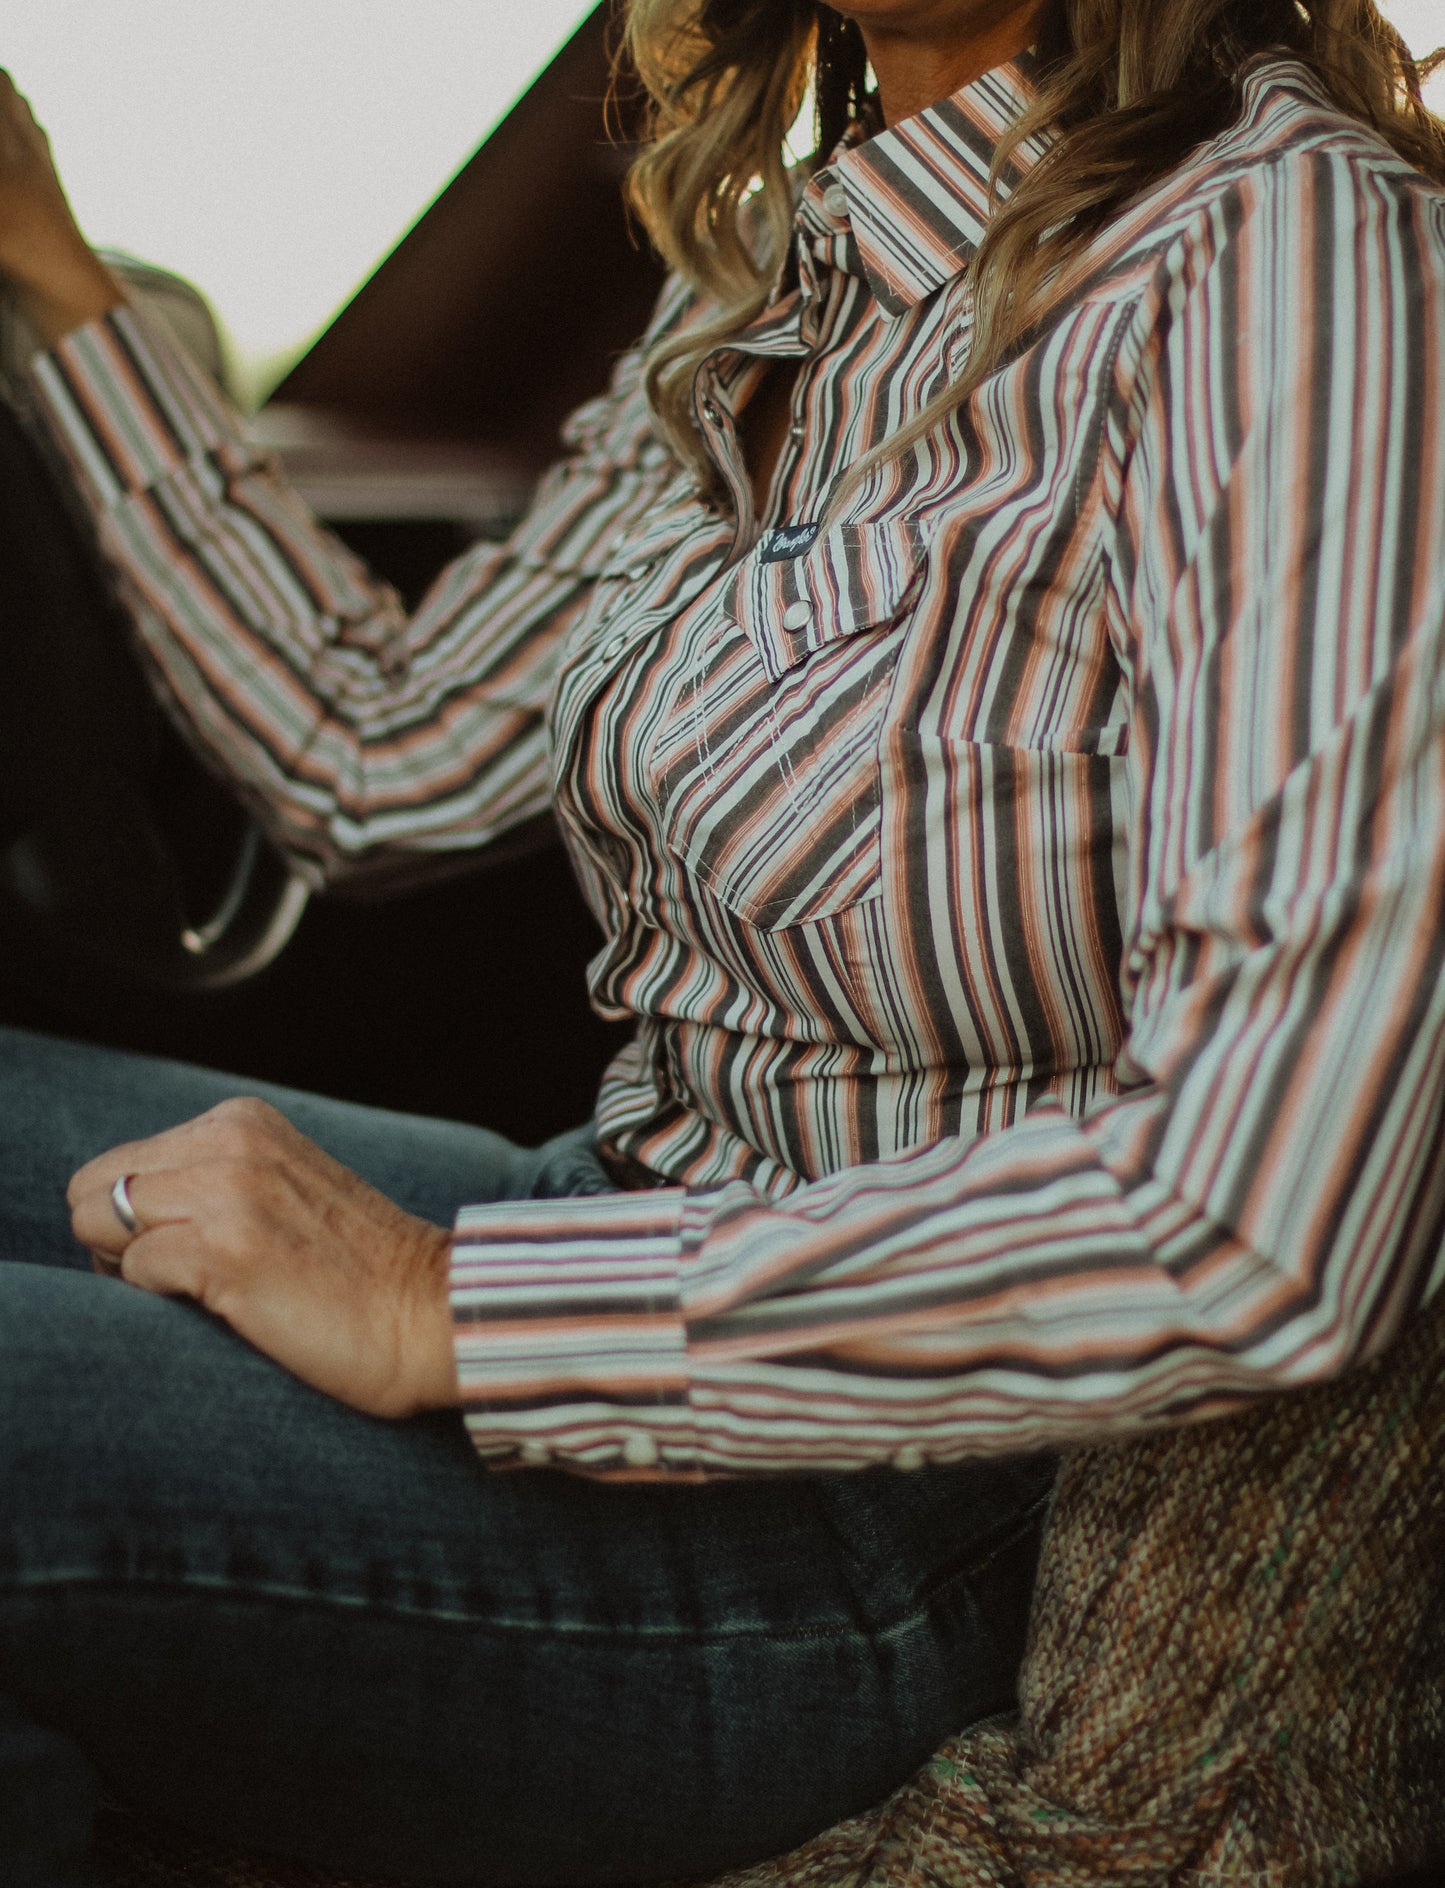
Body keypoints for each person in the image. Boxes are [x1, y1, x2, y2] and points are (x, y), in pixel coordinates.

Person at [1, 1, 1443, 1883]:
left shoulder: (1305, 270)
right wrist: (45, 256)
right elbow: (371, 753)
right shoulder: (786, 270)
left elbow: (1272, 1228)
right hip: (619, 1201)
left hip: (881, 1506)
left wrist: (448, 1311)